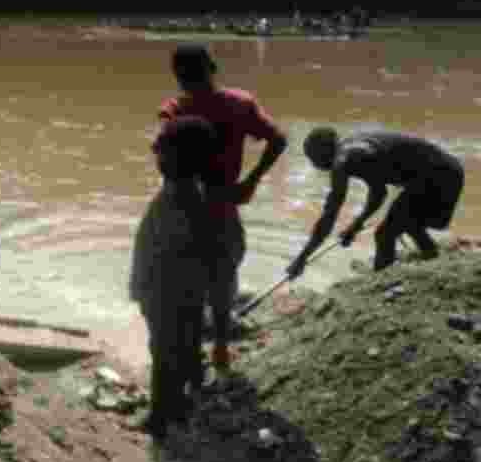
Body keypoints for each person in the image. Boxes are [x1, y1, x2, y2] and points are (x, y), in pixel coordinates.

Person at [157, 44, 288, 370]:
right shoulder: (240, 104)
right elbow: (279, 140)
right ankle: (219, 347)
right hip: (222, 202)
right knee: (224, 269)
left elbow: (162, 158)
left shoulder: (174, 109)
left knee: (182, 274)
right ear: (212, 67)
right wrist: (251, 181)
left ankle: (188, 348)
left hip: (183, 204)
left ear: (177, 76)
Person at [130, 116, 218, 438]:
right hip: (183, 291)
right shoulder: (187, 191)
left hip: (167, 292)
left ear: (178, 158)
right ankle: (178, 403)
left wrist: (143, 290)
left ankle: (159, 418)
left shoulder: (179, 200)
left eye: (162, 149)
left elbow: (162, 255)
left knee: (164, 350)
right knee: (182, 345)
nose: (155, 150)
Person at [287, 128, 464, 276]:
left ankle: (382, 280)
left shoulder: (343, 161)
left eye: (313, 159)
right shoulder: (352, 150)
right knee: (404, 219)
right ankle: (431, 256)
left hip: (440, 177)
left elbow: (329, 216)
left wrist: (302, 258)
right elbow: (378, 192)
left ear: (323, 154)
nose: (314, 165)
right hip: (448, 171)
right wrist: (355, 225)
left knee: (384, 234)